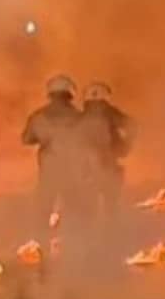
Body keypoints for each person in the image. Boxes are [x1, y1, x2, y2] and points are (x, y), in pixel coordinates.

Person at [21, 75, 85, 234]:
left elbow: (27, 139)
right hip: (72, 169)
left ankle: (40, 238)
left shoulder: (39, 116)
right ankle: (75, 239)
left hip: (49, 168)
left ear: (50, 93)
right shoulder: (79, 117)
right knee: (74, 207)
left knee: (44, 206)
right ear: (70, 94)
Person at [79, 82, 136, 218]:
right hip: (108, 166)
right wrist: (124, 147)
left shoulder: (79, 118)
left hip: (85, 170)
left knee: (87, 209)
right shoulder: (110, 113)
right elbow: (132, 126)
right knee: (111, 207)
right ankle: (110, 228)